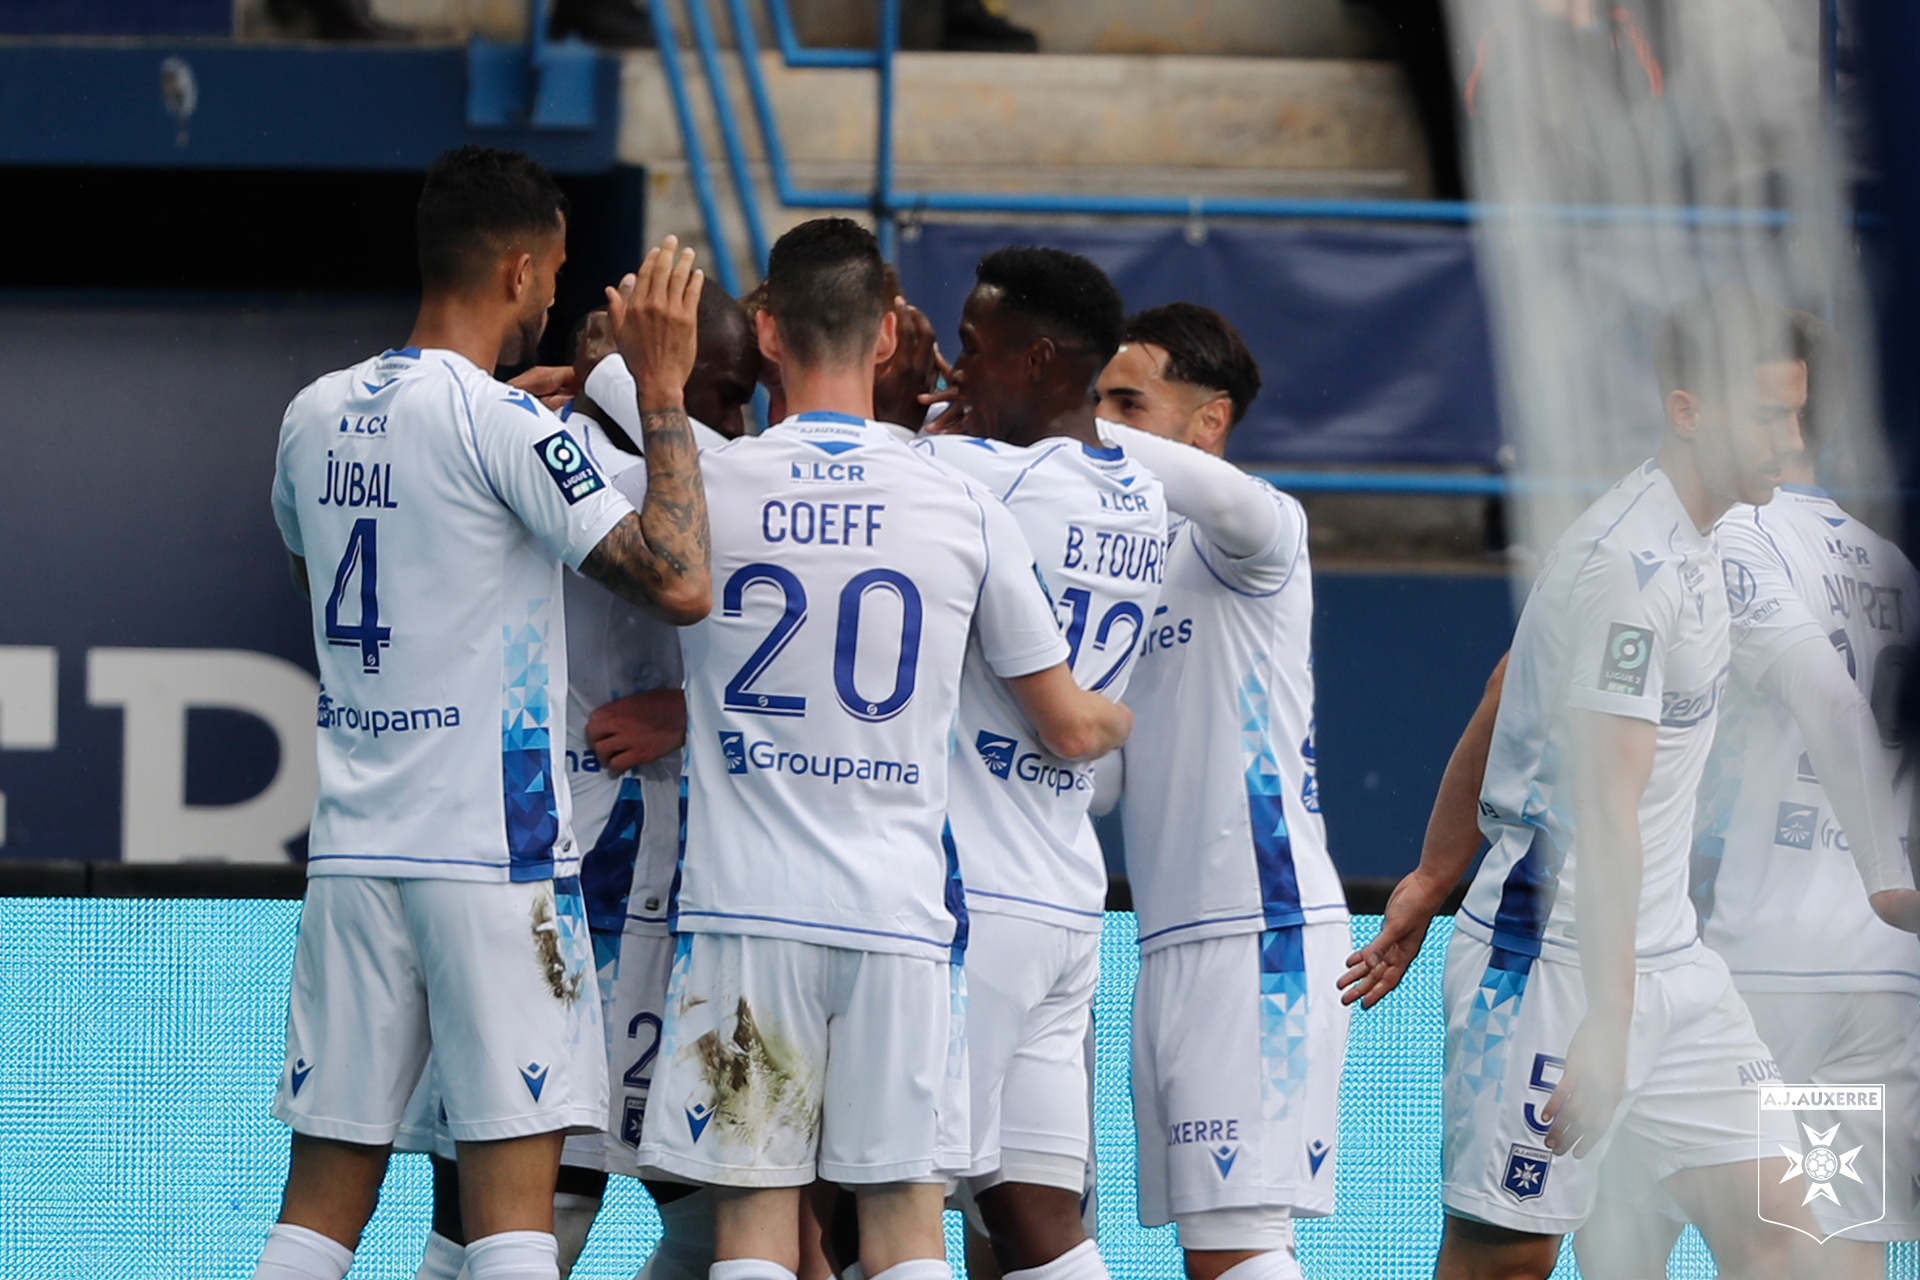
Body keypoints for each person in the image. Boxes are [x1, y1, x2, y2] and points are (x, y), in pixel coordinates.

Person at [632, 217, 1132, 1280]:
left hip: (746, 911)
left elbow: (648, 557)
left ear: (765, 331)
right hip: (900, 917)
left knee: (758, 1229)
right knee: (907, 1225)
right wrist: (1129, 712)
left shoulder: (708, 483)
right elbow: (1070, 718)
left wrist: (654, 385)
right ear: (891, 332)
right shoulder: (962, 501)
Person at [253, 146, 711, 1280]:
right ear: (516, 267)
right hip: (494, 852)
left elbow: (340, 554)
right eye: (552, 272)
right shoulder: (507, 429)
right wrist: (658, 391)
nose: (556, 296)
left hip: (357, 851)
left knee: (316, 1212)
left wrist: (510, 438)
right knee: (514, 1214)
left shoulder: (311, 416)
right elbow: (680, 577)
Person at [1340, 287, 1837, 1280]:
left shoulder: (1702, 541)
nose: (1790, 440)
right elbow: (1606, 812)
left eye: (1799, 414)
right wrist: (1604, 1021)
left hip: (1676, 965)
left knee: (1804, 1220)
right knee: (1509, 1260)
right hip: (1552, 968)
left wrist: (1431, 874)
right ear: (1689, 410)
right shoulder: (1629, 568)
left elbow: (1499, 683)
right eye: (1770, 415)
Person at [404, 289, 763, 1280]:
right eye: (721, 397)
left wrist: (695, 712)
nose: (735, 425)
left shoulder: (676, 465)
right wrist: (635, 383)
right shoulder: (541, 455)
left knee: (716, 1213)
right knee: (517, 1218)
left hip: (681, 889)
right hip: (558, 881)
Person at [1573, 318, 1920, 1279]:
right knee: (1833, 1246)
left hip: (1764, 962)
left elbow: (1828, 698)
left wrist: (1888, 877)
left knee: (1630, 1223)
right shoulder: (1892, 566)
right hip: (1882, 979)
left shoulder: (1727, 536)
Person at [912, 246, 1165, 1280]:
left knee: (880, 1208)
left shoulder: (986, 477)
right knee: (1038, 1221)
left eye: (972, 348)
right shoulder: (1139, 495)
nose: (954, 368)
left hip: (973, 900)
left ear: (1042, 358)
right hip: (1066, 894)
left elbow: (847, 446)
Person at [1093, 303, 1347, 1280]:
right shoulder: (1121, 565)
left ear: (1209, 421)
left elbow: (1220, 499)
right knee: (1223, 1251)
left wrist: (1048, 430)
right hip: (1169, 939)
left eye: (1127, 400)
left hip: (1261, 931)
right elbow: (1106, 781)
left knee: (1236, 1248)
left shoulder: (1261, 532)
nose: (1100, 419)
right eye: (1093, 400)